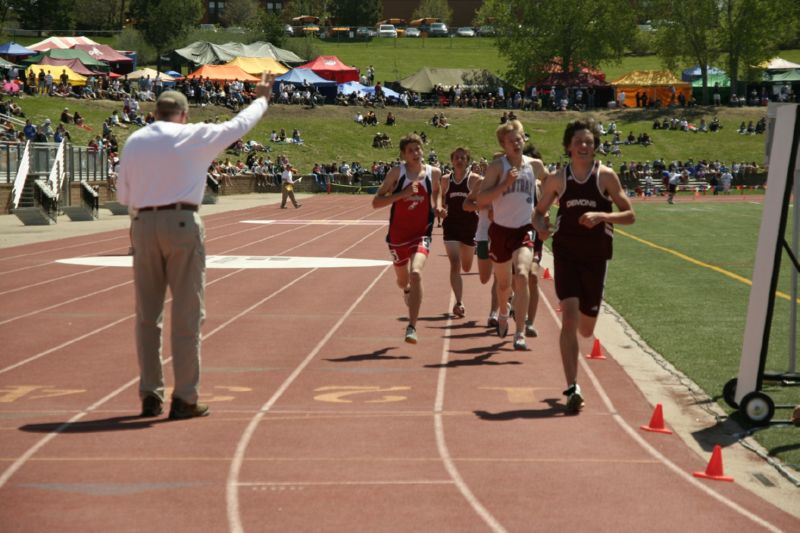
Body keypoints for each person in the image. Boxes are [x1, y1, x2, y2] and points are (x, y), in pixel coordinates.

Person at [117, 73, 275, 420]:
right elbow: (239, 125)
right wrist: (262, 99)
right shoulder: (194, 136)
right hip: (182, 222)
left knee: (147, 316)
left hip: (141, 224)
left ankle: (150, 394)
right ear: (184, 115)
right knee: (187, 315)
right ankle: (185, 397)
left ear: (154, 113)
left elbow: (124, 196)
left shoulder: (134, 141)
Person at [533, 118, 636, 413]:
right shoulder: (556, 179)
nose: (584, 146)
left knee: (586, 329)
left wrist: (602, 217)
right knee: (569, 316)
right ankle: (572, 387)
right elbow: (538, 213)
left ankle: (582, 330)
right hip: (566, 254)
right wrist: (541, 227)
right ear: (568, 146)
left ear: (595, 146)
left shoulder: (606, 177)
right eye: (578, 141)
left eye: (589, 142)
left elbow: (630, 214)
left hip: (596, 258)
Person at [477, 120, 548, 350]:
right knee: (503, 285)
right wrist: (505, 183)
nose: (516, 143)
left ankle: (519, 332)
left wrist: (544, 210)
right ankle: (503, 311)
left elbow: (550, 183)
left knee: (522, 274)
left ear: (524, 139)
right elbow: (481, 200)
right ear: (503, 145)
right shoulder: (498, 167)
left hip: (524, 230)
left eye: (519, 139)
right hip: (500, 231)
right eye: (511, 141)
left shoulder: (535, 165)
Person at [372, 133, 444, 344]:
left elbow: (438, 192)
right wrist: (401, 195)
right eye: (410, 150)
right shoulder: (397, 172)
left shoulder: (434, 172)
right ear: (403, 154)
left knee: (416, 273)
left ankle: (411, 326)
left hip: (422, 233)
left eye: (418, 149)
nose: (415, 153)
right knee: (403, 280)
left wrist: (438, 206)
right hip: (398, 236)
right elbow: (376, 202)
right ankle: (406, 290)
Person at [440, 147, 481, 318]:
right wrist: (440, 208)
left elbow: (483, 200)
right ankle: (459, 302)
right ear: (451, 160)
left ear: (467, 161)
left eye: (462, 158)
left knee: (466, 266)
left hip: (470, 228)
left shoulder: (475, 180)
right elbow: (440, 199)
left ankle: (458, 300)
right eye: (456, 157)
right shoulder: (445, 180)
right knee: (455, 265)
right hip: (451, 227)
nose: (459, 160)